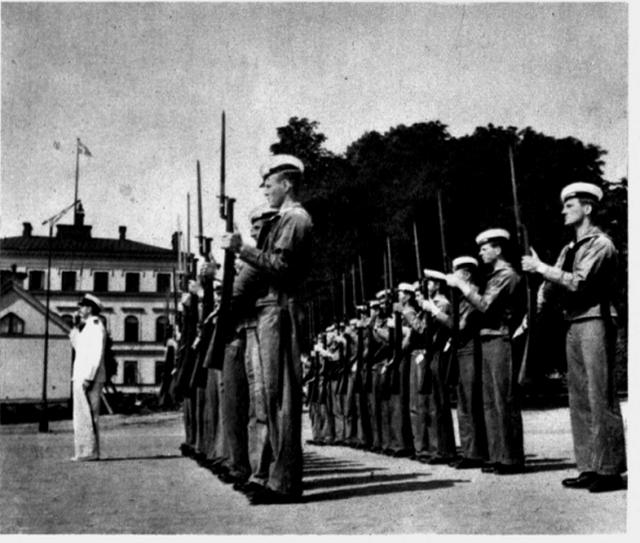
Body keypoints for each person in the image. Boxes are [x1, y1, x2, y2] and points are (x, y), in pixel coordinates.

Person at [522, 182, 626, 492]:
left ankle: (609, 469)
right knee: (579, 397)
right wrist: (536, 302)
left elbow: (580, 283)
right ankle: (588, 466)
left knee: (600, 396)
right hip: (574, 321)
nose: (564, 210)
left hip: (596, 318)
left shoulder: (600, 244)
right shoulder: (569, 249)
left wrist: (541, 268)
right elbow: (553, 283)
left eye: (570, 205)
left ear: (588, 208)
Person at [221, 154, 313, 504]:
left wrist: (242, 249)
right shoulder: (284, 220)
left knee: (279, 399)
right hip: (267, 311)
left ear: (287, 183)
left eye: (270, 183)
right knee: (267, 399)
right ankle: (267, 476)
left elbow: (281, 267)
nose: (266, 190)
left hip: (280, 309)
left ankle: (283, 481)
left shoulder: (296, 219)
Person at [446, 228, 525, 474]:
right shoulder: (494, 276)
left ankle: (510, 457)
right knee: (490, 402)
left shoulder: (506, 275)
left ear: (498, 249)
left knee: (504, 400)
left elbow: (485, 306)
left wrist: (461, 284)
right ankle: (497, 454)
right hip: (489, 339)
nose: (480, 251)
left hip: (501, 337)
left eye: (485, 247)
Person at [438, 256, 488, 469]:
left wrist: (438, 314)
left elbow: (460, 326)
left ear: (466, 274)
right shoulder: (460, 297)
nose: (451, 276)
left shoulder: (472, 295)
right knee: (463, 402)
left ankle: (475, 452)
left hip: (470, 349)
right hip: (461, 349)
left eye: (455, 272)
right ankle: (469, 450)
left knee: (470, 401)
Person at [416, 278, 457, 464]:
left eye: (430, 283)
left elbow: (445, 326)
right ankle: (437, 448)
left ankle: (445, 450)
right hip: (431, 354)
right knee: (433, 404)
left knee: (440, 404)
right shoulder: (429, 305)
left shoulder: (443, 304)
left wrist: (430, 309)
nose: (426, 286)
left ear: (438, 285)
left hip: (440, 353)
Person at [69, 294, 106, 461]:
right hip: (80, 375)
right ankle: (83, 451)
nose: (79, 309)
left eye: (82, 306)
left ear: (90, 308)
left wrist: (89, 377)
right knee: (81, 416)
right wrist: (76, 327)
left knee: (90, 415)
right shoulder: (86, 327)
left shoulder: (96, 326)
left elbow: (96, 354)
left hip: (90, 377)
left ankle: (90, 452)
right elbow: (77, 348)